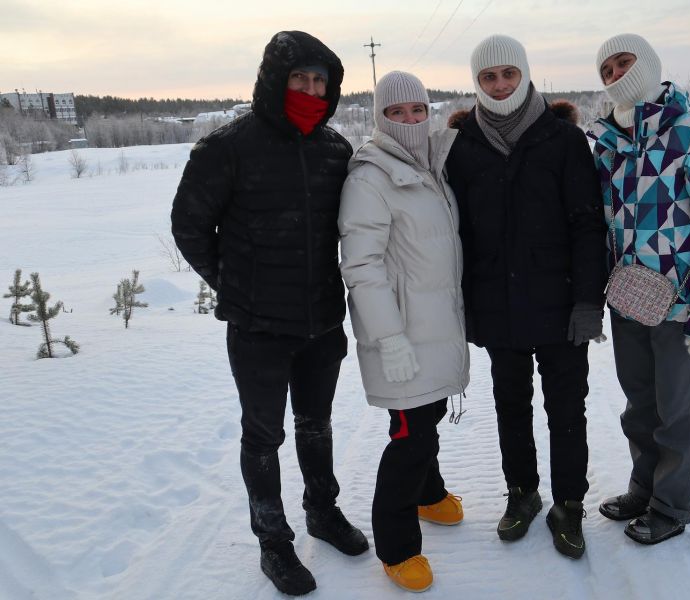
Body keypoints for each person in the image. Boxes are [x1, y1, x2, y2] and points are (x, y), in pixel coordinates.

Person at [171, 31, 368, 596]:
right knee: (263, 436)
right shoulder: (228, 148)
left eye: (319, 82)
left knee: (317, 424)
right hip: (257, 327)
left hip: (322, 322)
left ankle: (321, 513)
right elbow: (189, 228)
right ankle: (273, 540)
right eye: (299, 79)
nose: (309, 90)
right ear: (274, 82)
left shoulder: (334, 150)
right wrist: (234, 287)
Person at [445, 34, 607, 559]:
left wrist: (587, 302)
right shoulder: (462, 146)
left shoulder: (561, 139)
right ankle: (523, 493)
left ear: (524, 75)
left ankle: (568, 505)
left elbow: (587, 225)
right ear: (478, 83)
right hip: (497, 305)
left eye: (507, 74)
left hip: (560, 305)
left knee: (566, 409)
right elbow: (457, 232)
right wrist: (466, 306)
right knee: (510, 404)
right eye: (488, 77)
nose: (499, 85)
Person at [589, 33, 690, 544]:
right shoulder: (608, 144)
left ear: (648, 65)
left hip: (681, 305)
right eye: (606, 70)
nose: (614, 75)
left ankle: (672, 505)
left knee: (677, 409)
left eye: (623, 63)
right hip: (629, 299)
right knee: (640, 404)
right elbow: (603, 226)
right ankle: (644, 486)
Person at [338, 71, 469, 593]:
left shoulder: (429, 165)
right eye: (398, 113)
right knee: (408, 436)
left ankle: (429, 493)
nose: (411, 121)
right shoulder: (370, 177)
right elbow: (362, 266)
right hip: (403, 336)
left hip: (435, 324)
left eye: (419, 110)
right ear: (381, 119)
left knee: (429, 414)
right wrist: (389, 337)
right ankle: (396, 546)